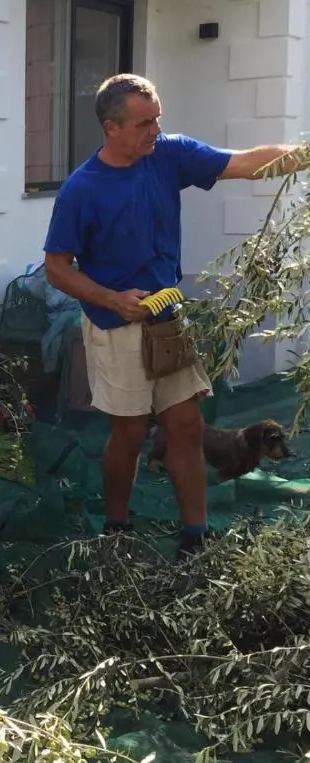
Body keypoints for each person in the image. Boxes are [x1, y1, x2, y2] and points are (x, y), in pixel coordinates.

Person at [42, 73, 310, 557]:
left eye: (158, 119)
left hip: (167, 319)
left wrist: (304, 154)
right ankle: (116, 529)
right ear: (111, 128)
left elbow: (247, 163)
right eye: (144, 123)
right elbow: (57, 269)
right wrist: (112, 299)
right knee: (128, 432)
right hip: (116, 325)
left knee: (186, 426)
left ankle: (195, 536)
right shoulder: (82, 189)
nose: (156, 130)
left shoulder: (168, 154)